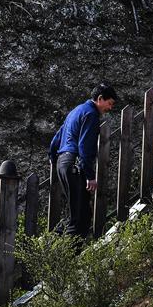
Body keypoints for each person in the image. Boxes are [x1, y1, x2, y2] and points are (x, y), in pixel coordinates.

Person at [48, 83, 118, 237]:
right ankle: (69, 255)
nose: (110, 108)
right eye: (110, 103)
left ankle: (52, 247)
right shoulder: (91, 114)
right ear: (100, 99)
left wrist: (54, 159)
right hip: (74, 164)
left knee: (75, 211)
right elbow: (84, 147)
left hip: (63, 162)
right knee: (80, 217)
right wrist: (90, 176)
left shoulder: (76, 111)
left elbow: (56, 139)